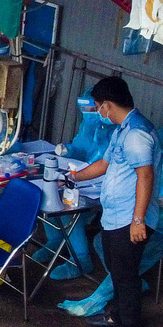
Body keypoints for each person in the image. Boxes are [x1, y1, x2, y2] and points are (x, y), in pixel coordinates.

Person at [62, 127, 163, 321]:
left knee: (128, 259)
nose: (162, 155)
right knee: (101, 242)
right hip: (146, 219)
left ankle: (94, 302)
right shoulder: (154, 165)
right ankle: (132, 284)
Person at [66, 76, 159, 327]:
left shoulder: (137, 135)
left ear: (107, 105)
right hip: (115, 216)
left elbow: (146, 176)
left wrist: (138, 220)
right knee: (116, 270)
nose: (98, 113)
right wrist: (73, 177)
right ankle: (116, 315)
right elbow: (106, 164)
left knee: (126, 275)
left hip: (130, 220)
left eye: (97, 108)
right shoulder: (122, 130)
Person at [37, 90, 115, 281]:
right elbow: (81, 148)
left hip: (101, 185)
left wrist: (77, 176)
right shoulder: (89, 125)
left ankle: (80, 260)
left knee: (68, 210)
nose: (87, 113)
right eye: (84, 109)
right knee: (47, 198)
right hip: (82, 177)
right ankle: (55, 241)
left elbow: (103, 164)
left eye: (91, 109)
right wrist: (67, 150)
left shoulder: (115, 131)